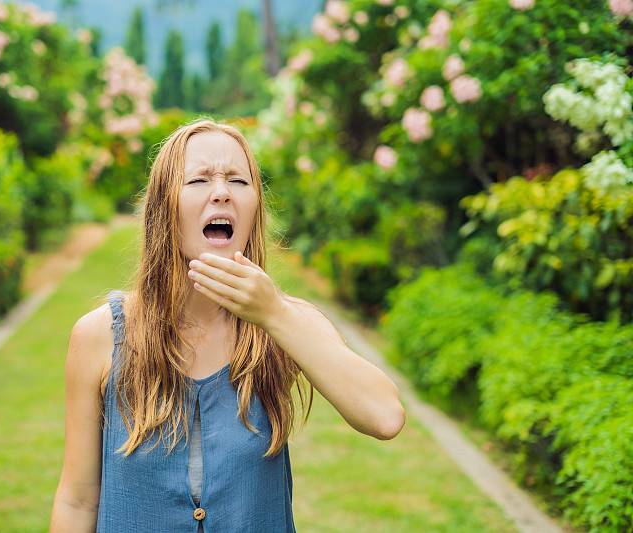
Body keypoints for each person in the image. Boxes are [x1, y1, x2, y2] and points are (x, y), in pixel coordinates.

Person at [49, 119, 405, 532]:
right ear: (163, 207)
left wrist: (275, 315)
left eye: (238, 180)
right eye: (199, 180)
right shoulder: (101, 336)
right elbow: (77, 501)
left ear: (254, 209)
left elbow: (385, 417)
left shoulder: (285, 322)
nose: (221, 192)